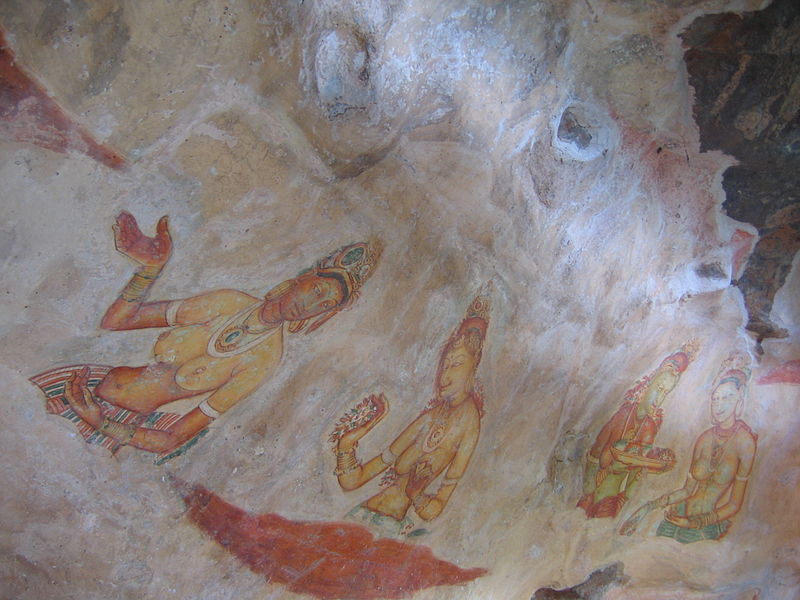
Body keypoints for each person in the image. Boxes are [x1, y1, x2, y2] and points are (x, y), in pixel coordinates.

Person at [31, 211, 380, 460]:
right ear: (301, 279)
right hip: (82, 385)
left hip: (110, 424)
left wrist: (100, 422)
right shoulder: (227, 301)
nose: (312, 303)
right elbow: (119, 320)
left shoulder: (264, 360)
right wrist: (151, 268)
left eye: (326, 304)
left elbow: (171, 438)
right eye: (317, 289)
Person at [329, 292, 490, 538]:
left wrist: (416, 493)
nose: (444, 376)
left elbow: (434, 510)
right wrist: (348, 442)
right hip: (360, 516)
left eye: (456, 364)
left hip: (388, 532)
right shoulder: (430, 415)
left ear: (474, 366)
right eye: (444, 366)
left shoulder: (470, 424)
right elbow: (353, 481)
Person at [619, 360, 757, 543]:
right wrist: (649, 506)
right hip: (678, 517)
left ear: (739, 401)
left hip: (704, 527)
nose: (719, 405)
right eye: (715, 399)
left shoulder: (745, 443)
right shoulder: (704, 439)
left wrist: (694, 523)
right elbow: (687, 490)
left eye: (727, 398)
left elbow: (734, 504)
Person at [577, 343, 697, 519]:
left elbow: (638, 468)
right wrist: (587, 491)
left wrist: (624, 498)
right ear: (648, 387)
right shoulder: (624, 415)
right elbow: (596, 451)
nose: (660, 398)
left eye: (665, 393)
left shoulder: (649, 426)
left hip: (609, 501)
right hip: (589, 496)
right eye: (658, 389)